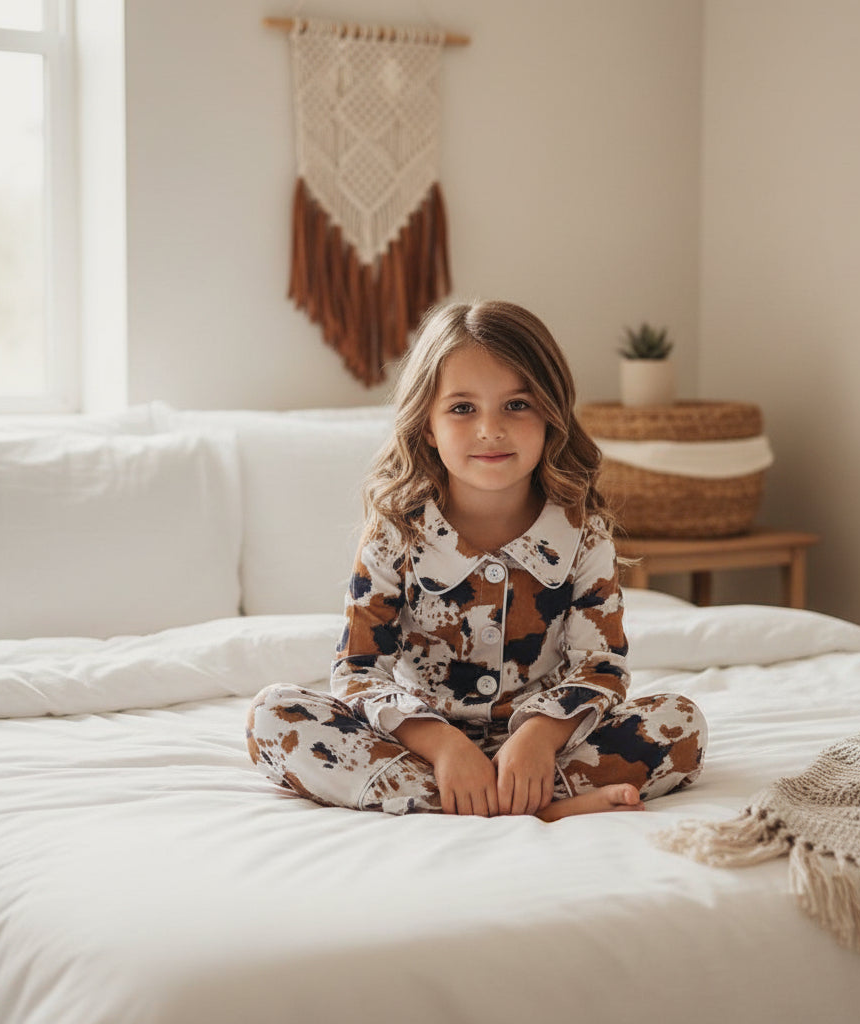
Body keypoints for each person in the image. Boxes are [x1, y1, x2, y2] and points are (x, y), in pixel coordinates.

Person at [246, 300, 706, 819]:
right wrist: (443, 747)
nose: (490, 428)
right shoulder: (394, 533)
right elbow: (358, 670)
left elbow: (600, 668)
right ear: (427, 425)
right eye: (463, 408)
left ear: (552, 415)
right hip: (420, 745)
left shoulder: (584, 534)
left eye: (517, 405)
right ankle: (535, 804)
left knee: (681, 723)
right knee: (273, 717)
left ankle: (491, 796)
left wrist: (539, 735)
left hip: (548, 746)